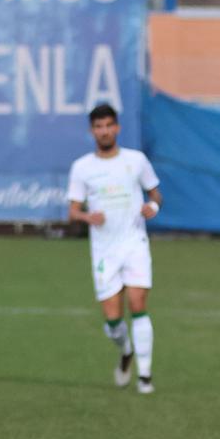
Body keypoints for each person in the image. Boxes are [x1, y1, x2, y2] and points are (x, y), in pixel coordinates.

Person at [67, 103, 161, 394]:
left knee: (138, 304)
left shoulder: (136, 160)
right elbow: (73, 210)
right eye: (99, 127)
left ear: (117, 128)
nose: (104, 131)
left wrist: (153, 206)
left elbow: (155, 193)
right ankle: (126, 351)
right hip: (104, 251)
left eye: (109, 125)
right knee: (113, 322)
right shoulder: (82, 167)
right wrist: (87, 217)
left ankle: (145, 376)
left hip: (134, 243)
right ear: (92, 131)